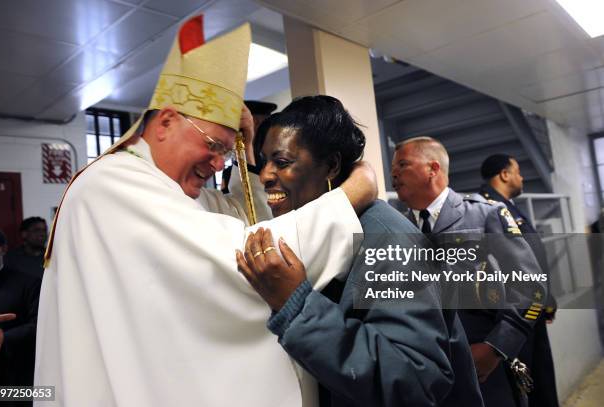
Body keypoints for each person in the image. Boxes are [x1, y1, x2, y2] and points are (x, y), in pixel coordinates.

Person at [35, 16, 376, 407]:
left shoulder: (173, 187)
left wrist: (245, 155)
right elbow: (250, 256)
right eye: (213, 145)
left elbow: (250, 218)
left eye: (226, 153)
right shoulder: (113, 183)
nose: (218, 165)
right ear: (165, 121)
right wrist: (354, 192)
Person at [236, 95, 484, 406]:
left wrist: (298, 309)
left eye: (282, 162)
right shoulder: (315, 231)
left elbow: (413, 379)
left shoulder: (389, 239)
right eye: (264, 161)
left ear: (331, 166)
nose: (265, 175)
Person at [391, 137, 547, 407]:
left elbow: (531, 287)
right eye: (393, 168)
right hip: (427, 373)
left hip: (486, 371)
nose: (393, 173)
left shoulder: (484, 215)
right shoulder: (396, 230)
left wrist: (495, 348)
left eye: (403, 165)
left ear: (433, 169)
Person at [480, 154, 559, 407]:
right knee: (526, 385)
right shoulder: (488, 208)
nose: (521, 177)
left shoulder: (508, 206)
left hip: (531, 308)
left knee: (541, 380)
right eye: (517, 171)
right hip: (514, 314)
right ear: (504, 174)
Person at [0, 227, 40, 386]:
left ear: (3, 249)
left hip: (17, 373)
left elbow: (38, 324)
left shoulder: (28, 283)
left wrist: (3, 337)